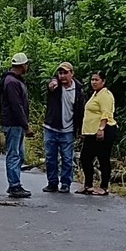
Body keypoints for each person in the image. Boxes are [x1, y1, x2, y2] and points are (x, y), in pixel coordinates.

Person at [0, 52, 32, 198]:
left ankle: (15, 181)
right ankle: (14, 185)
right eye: (26, 64)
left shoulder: (12, 80)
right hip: (14, 123)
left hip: (15, 123)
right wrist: (25, 125)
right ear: (22, 65)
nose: (27, 66)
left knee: (19, 154)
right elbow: (16, 105)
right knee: (14, 154)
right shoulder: (12, 82)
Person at [42, 61, 79, 193]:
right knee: (50, 158)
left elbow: (80, 110)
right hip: (51, 128)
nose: (62, 76)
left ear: (72, 74)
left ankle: (65, 183)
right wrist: (52, 84)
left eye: (65, 73)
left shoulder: (78, 89)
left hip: (68, 129)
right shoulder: (56, 86)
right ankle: (52, 182)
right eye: (60, 73)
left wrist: (79, 129)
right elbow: (50, 87)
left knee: (67, 159)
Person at [79, 70, 116, 195]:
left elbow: (106, 112)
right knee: (85, 158)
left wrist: (101, 128)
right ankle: (88, 185)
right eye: (92, 79)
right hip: (91, 131)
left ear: (103, 81)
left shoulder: (105, 95)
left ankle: (104, 187)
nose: (94, 82)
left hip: (103, 130)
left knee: (103, 158)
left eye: (97, 80)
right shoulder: (95, 94)